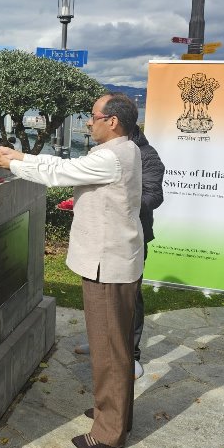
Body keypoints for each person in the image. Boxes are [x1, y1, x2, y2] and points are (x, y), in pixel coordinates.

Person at [0, 92, 143, 448]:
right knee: (116, 346)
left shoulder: (113, 157)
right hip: (113, 261)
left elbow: (59, 172)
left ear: (112, 121)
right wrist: (17, 155)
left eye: (93, 116)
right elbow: (61, 165)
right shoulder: (121, 151)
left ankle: (110, 430)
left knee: (109, 349)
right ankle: (113, 412)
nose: (88, 122)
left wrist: (9, 164)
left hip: (107, 265)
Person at [74, 123, 165, 380]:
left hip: (131, 237)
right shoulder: (105, 153)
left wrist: (122, 205)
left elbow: (154, 195)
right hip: (103, 240)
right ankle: (101, 343)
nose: (92, 126)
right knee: (102, 299)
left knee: (129, 300)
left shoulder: (145, 155)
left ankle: (131, 355)